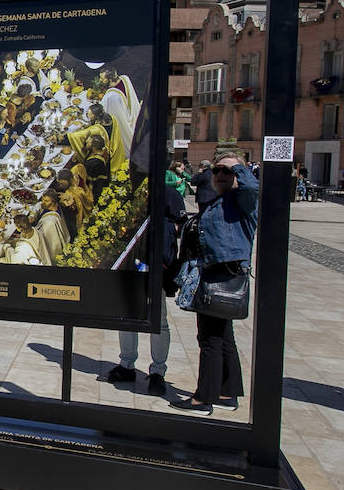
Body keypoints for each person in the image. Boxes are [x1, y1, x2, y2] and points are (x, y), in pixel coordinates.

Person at [171, 155, 258, 414]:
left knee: (209, 338)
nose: (220, 174)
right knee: (223, 336)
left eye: (227, 171)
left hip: (221, 274)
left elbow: (253, 187)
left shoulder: (242, 199)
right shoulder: (220, 200)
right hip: (218, 272)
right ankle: (227, 393)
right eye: (217, 170)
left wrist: (239, 167)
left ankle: (202, 398)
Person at [103, 183, 186, 397]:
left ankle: (158, 371)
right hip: (130, 265)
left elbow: (179, 223)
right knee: (126, 316)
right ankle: (126, 364)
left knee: (158, 321)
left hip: (157, 268)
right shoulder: (132, 188)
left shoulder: (168, 192)